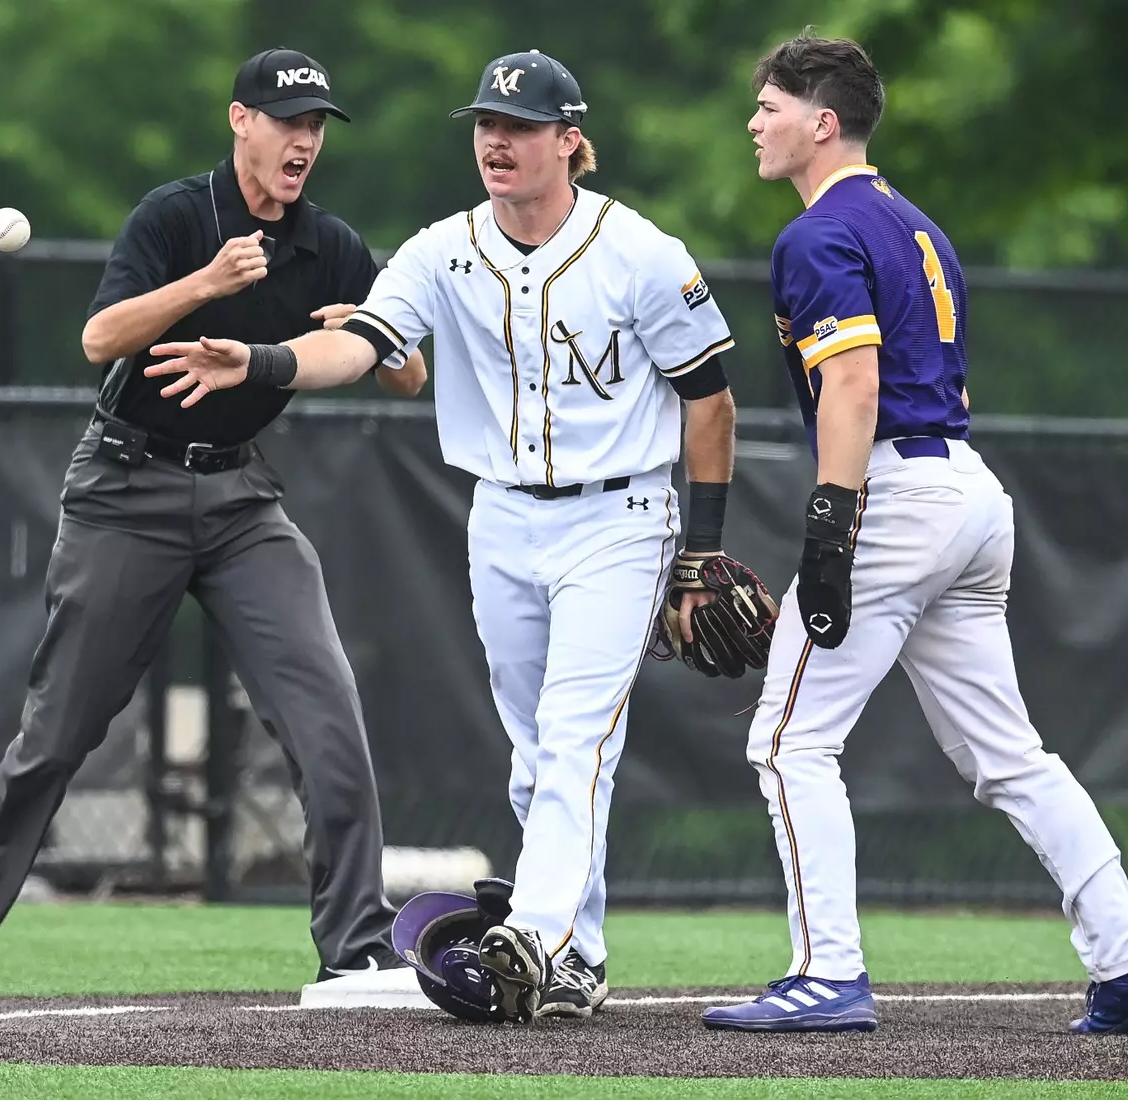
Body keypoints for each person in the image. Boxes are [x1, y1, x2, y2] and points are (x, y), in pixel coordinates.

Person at [144, 49, 740, 1023]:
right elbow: (364, 344)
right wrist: (262, 358)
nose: (496, 142)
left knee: (575, 736)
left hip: (621, 516)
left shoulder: (638, 251)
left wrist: (702, 548)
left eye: (519, 127)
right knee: (529, 754)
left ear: (569, 140)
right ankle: (576, 954)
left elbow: (707, 399)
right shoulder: (443, 248)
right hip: (501, 514)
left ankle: (532, 934)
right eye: (485, 125)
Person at [0, 47, 426, 996]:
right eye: (286, 120)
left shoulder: (329, 244)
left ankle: (357, 945)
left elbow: (409, 374)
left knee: (327, 713)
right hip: (126, 490)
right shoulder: (178, 217)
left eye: (316, 127)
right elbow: (99, 340)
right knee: (58, 734)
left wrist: (376, 345)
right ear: (239, 121)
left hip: (242, 500)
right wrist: (205, 283)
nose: (303, 141)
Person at [699, 31, 1128, 1036]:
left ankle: (825, 972)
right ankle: (1127, 958)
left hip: (891, 493)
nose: (753, 121)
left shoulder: (816, 233)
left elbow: (851, 381)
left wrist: (830, 525)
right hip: (965, 491)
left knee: (789, 739)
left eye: (770, 106)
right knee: (1010, 755)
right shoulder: (915, 226)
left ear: (820, 121)